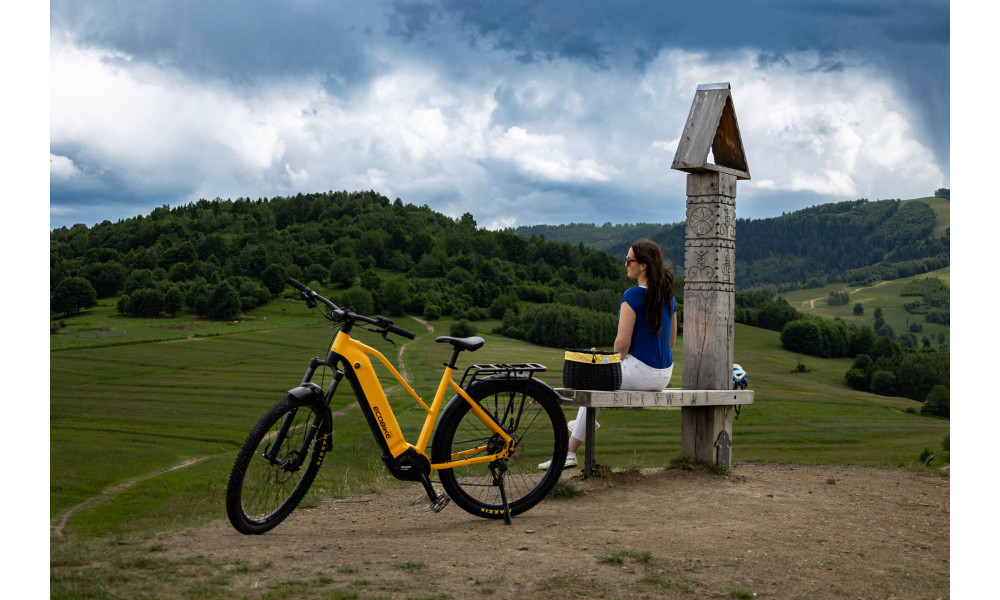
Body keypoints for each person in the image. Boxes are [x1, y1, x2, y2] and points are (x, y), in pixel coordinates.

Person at [540, 238, 678, 469]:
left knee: (595, 381)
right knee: (600, 383)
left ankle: (569, 453)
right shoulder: (669, 297)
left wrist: (613, 366)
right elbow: (671, 342)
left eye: (629, 259)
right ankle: (583, 424)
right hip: (664, 374)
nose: (625, 264)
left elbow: (621, 345)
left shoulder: (632, 295)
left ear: (642, 265)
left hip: (640, 372)